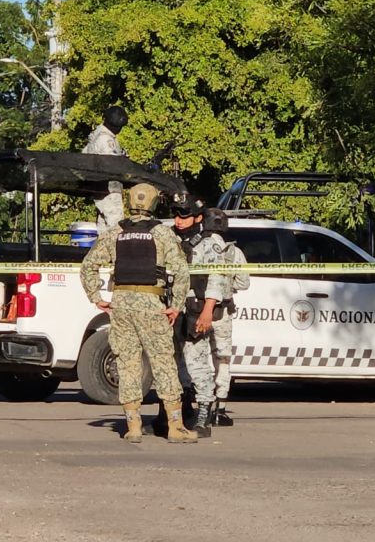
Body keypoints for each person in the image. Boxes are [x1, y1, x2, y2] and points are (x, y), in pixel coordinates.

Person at [79, 183, 197, 444]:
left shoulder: (115, 232)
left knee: (127, 363)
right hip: (152, 303)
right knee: (163, 363)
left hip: (121, 305)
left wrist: (96, 297)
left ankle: (133, 426)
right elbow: (181, 271)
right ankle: (175, 427)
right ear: (153, 203)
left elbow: (88, 265)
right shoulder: (162, 233)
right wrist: (176, 305)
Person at [171, 195, 230, 438]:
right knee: (174, 364)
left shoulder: (209, 243)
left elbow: (216, 278)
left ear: (197, 218)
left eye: (184, 215)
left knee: (197, 364)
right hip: (172, 308)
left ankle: (203, 414)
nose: (179, 220)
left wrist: (207, 311)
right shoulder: (170, 238)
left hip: (195, 307)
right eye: (176, 214)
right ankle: (176, 412)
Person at [202, 207, 250, 426]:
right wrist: (228, 286)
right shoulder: (234, 252)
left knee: (199, 359)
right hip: (223, 312)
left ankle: (201, 407)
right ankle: (220, 410)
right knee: (222, 359)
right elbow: (244, 283)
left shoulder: (198, 246)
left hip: (199, 310)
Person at [82, 105, 129, 234]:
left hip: (99, 189)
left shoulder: (96, 136)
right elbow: (111, 164)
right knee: (116, 229)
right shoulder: (105, 139)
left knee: (103, 231)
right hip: (109, 189)